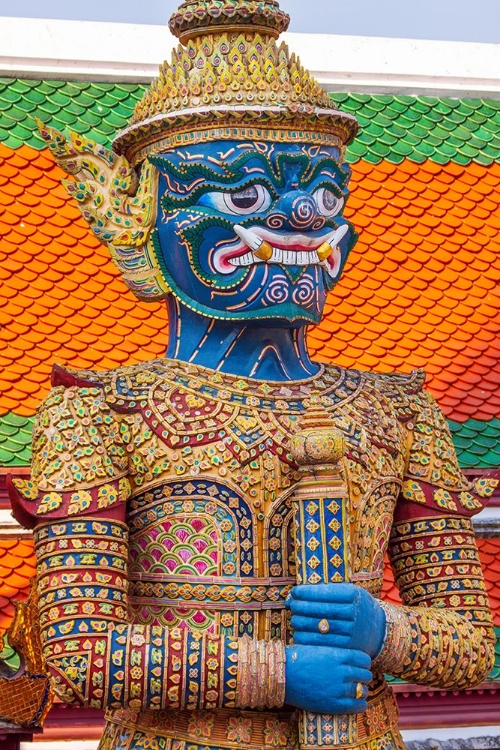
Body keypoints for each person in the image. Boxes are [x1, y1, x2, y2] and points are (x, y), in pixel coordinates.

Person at [7, 2, 498, 748]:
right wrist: (280, 672)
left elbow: (469, 645)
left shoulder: (397, 411)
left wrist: (384, 627)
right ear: (142, 223)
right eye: (244, 196)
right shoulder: (102, 413)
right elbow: (79, 651)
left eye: (326, 196)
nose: (302, 216)